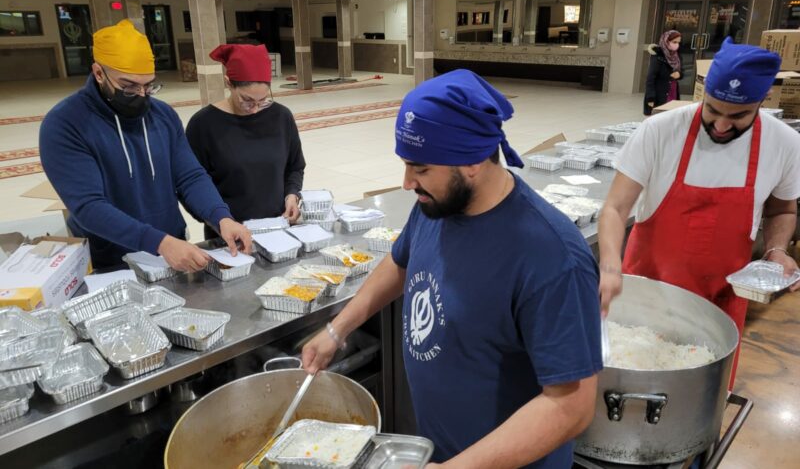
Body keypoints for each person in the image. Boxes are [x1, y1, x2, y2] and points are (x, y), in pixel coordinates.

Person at [302, 70, 602, 468]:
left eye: (421, 168)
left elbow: (571, 408)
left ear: (474, 160)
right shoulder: (435, 206)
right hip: (441, 449)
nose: (407, 182)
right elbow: (400, 261)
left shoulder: (551, 257)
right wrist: (337, 329)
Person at [599, 37, 800, 386]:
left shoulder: (784, 143)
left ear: (762, 101)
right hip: (648, 292)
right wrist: (610, 267)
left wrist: (776, 249)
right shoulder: (659, 131)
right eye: (712, 110)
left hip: (720, 300)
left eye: (738, 116)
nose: (721, 126)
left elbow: (782, 209)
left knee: (700, 397)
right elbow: (616, 207)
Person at [40, 19, 252, 272]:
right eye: (128, 87)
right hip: (110, 259)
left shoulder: (162, 115)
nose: (141, 95)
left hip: (171, 249)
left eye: (148, 85)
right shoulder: (66, 124)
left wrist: (221, 217)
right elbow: (88, 206)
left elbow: (190, 176)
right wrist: (158, 242)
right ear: (98, 73)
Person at [186, 44, 305, 239]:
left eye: (263, 100)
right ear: (229, 83)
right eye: (247, 100)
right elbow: (190, 185)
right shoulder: (204, 124)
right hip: (228, 234)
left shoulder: (281, 117)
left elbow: (295, 166)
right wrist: (219, 220)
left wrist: (292, 194)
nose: (256, 109)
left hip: (277, 229)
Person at [644, 30, 682, 115]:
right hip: (660, 94)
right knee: (660, 118)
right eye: (674, 42)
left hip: (673, 90)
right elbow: (650, 78)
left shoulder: (675, 55)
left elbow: (679, 70)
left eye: (678, 42)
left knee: (672, 116)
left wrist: (679, 74)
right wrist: (650, 98)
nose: (676, 45)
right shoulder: (658, 56)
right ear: (666, 41)